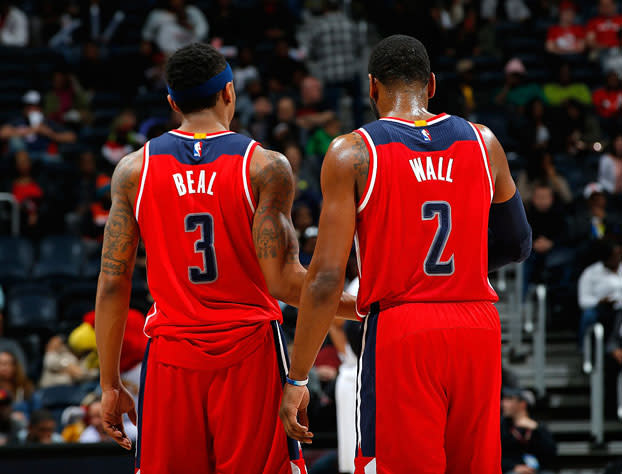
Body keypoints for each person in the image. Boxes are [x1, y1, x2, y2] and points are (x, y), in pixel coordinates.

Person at [95, 42, 354, 473]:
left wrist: (109, 383)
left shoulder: (133, 170)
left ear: (172, 102)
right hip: (250, 353)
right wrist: (366, 306)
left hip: (171, 357)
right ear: (229, 93)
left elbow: (110, 284)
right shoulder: (264, 166)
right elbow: (287, 282)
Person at [280, 35, 531, 472]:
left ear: (372, 87)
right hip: (477, 325)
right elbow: (517, 242)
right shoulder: (483, 141)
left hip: (404, 326)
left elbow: (323, 281)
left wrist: (297, 378)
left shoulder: (352, 152)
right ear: (431, 85)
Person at [501, 388, 557, 474]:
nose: (503, 403)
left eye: (509, 399)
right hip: (511, 470)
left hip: (537, 470)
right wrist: (514, 467)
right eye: (504, 400)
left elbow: (550, 453)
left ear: (522, 404)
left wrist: (537, 429)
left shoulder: (537, 426)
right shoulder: (501, 426)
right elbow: (495, 456)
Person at [578, 240, 622, 344]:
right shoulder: (591, 273)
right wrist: (599, 301)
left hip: (620, 309)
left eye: (620, 254)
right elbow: (583, 301)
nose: (618, 258)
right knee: (589, 315)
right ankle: (584, 349)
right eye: (614, 256)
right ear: (606, 257)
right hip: (602, 310)